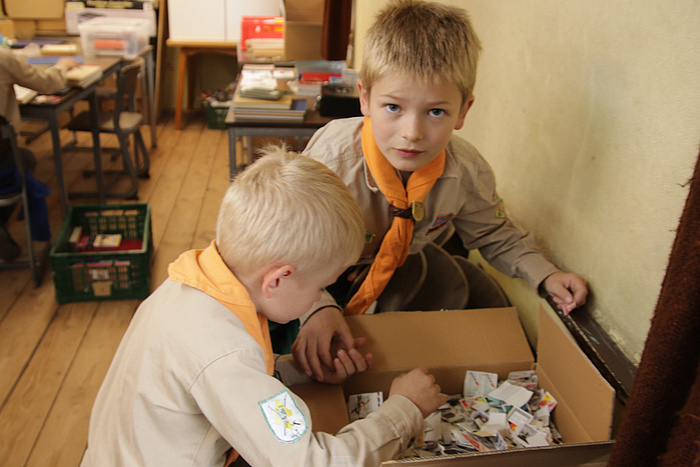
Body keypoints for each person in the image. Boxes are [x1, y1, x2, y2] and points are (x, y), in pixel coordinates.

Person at [80, 147, 445, 466]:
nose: (320, 296)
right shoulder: (224, 354)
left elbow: (219, 386)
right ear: (277, 280)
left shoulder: (188, 286)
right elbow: (314, 463)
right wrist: (404, 409)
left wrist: (298, 372)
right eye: (320, 287)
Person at [292, 0, 589, 381]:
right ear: (364, 98)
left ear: (463, 111)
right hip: (316, 276)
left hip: (393, 270)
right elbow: (286, 252)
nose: (412, 133)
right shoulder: (330, 164)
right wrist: (316, 307)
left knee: (465, 302)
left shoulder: (466, 170)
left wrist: (545, 274)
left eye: (436, 112)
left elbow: (494, 233)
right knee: (304, 354)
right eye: (393, 107)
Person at [0, 46, 78, 260]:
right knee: (25, 159)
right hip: (3, 167)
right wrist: (63, 66)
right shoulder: (3, 57)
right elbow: (48, 84)